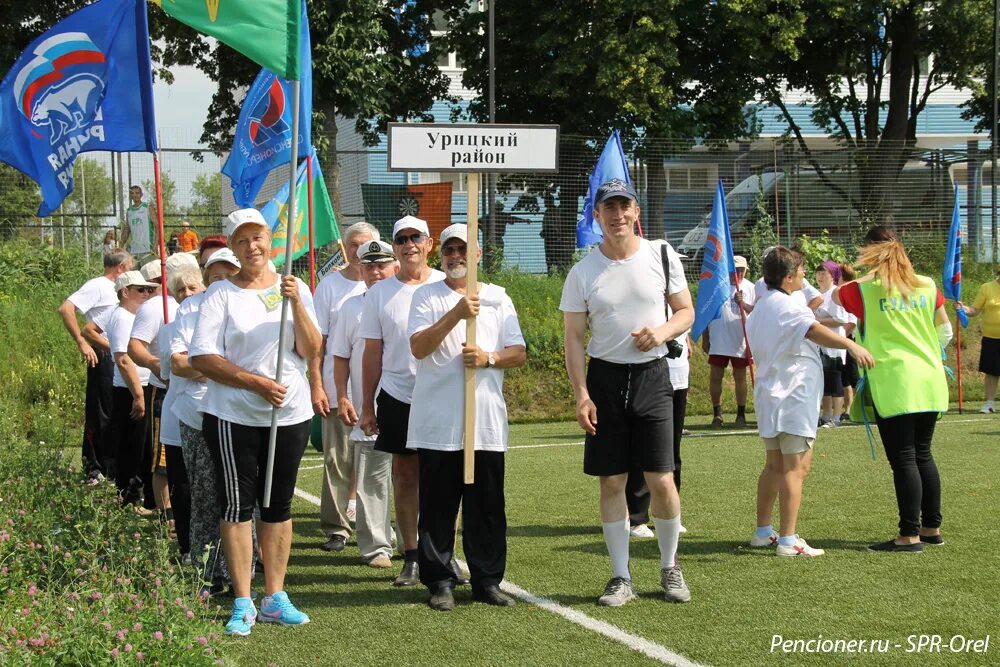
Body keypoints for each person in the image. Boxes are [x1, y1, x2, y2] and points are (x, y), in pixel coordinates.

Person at [560, 178, 694, 607]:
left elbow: (686, 311)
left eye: (624, 206)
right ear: (596, 216)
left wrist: (661, 333)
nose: (617, 215)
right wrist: (581, 393)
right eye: (608, 208)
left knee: (661, 478)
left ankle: (670, 567)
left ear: (636, 211)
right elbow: (574, 340)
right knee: (612, 481)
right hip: (605, 381)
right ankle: (621, 577)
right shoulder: (583, 271)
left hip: (654, 377)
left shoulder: (661, 254)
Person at [190, 209, 321, 635]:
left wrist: (296, 302)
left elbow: (311, 346)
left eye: (258, 238)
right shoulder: (221, 294)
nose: (252, 247)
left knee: (279, 505)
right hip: (234, 416)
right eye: (243, 240)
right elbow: (202, 357)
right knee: (237, 506)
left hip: (290, 415)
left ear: (270, 241)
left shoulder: (293, 286)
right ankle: (243, 600)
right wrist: (254, 383)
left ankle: (275, 597)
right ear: (234, 245)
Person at [407, 224, 527, 611]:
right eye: (449, 250)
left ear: (477, 255)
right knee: (439, 506)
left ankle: (487, 580)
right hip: (439, 423)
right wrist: (456, 314)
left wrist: (488, 358)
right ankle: (440, 580)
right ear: (440, 255)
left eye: (463, 249)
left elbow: (517, 351)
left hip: (486, 423)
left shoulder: (498, 297)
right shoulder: (426, 295)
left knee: (487, 506)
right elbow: (419, 347)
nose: (455, 256)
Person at [747, 247, 873, 557]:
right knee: (796, 468)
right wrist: (850, 346)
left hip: (771, 395)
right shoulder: (789, 306)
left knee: (774, 465)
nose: (805, 279)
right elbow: (814, 330)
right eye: (802, 274)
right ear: (788, 277)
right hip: (793, 396)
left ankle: (764, 531)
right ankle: (789, 540)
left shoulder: (762, 306)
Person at [835, 226, 949, 553]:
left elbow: (837, 294)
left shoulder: (862, 290)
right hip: (929, 377)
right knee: (923, 454)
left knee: (904, 459)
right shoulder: (927, 285)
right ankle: (931, 528)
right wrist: (927, 353)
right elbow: (945, 331)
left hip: (895, 383)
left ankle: (909, 535)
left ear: (870, 252)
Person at [359, 216, 446, 587]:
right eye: (402, 239)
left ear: (429, 244)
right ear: (394, 248)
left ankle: (441, 553)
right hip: (398, 395)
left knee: (444, 478)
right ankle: (411, 555)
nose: (409, 244)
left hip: (444, 395)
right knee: (405, 475)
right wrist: (366, 404)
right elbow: (372, 352)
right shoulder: (379, 293)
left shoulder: (447, 284)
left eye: (416, 238)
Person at [170, 247, 246, 597]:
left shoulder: (251, 304)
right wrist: (219, 369)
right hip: (199, 415)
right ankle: (207, 572)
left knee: (242, 497)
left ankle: (242, 570)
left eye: (227, 273)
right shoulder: (190, 310)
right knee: (204, 496)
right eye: (213, 275)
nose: (220, 280)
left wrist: (215, 369)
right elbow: (179, 363)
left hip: (241, 413)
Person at [330, 240, 399, 569]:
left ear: (395, 265)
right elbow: (340, 357)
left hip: (407, 403)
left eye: (381, 265)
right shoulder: (350, 307)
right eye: (368, 266)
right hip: (368, 407)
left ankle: (408, 538)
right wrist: (342, 395)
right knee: (372, 478)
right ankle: (376, 547)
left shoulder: (410, 300)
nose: (375, 271)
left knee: (408, 475)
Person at [310, 222, 378, 553]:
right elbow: (317, 341)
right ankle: (337, 527)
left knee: (377, 462)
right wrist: (318, 385)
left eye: (366, 245)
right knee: (337, 459)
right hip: (339, 389)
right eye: (353, 244)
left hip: (380, 390)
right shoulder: (329, 286)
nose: (358, 250)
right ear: (345, 247)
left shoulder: (386, 283)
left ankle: (375, 526)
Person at [83, 270, 157, 504]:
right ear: (125, 292)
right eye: (141, 289)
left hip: (136, 386)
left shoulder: (127, 314)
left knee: (136, 444)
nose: (147, 294)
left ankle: (132, 492)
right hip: (131, 389)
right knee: (132, 446)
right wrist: (138, 395)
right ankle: (129, 494)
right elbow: (124, 359)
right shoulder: (123, 317)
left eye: (150, 289)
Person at [58, 249, 133, 483]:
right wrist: (83, 343)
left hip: (119, 355)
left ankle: (113, 466)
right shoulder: (98, 285)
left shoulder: (118, 291)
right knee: (100, 411)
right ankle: (94, 468)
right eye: (130, 267)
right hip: (102, 354)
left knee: (117, 409)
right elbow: (66, 308)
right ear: (120, 267)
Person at [157, 263, 206, 563]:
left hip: (210, 413)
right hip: (178, 414)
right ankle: (187, 547)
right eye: (180, 290)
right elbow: (167, 371)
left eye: (192, 288)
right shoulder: (169, 330)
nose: (186, 294)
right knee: (182, 483)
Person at [702, 255, 755, 427]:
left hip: (741, 340)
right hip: (718, 339)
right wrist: (706, 337)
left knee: (740, 377)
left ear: (747, 270)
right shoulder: (717, 286)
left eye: (741, 270)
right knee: (715, 376)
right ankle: (717, 414)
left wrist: (743, 303)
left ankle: (741, 415)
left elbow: (758, 313)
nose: (738, 273)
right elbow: (706, 311)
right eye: (735, 270)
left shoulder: (752, 289)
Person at [814, 261, 852, 428]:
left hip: (834, 344)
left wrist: (818, 321)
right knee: (824, 381)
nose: (820, 276)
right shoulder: (816, 294)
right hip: (820, 344)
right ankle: (826, 414)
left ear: (833, 276)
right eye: (819, 272)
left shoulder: (836, 293)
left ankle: (836, 417)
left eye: (825, 273)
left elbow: (841, 319)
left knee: (835, 380)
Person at [958, 266, 1000, 413]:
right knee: (991, 371)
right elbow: (974, 310)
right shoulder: (986, 288)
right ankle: (989, 403)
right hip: (991, 338)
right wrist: (963, 308)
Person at [753, 246, 823, 311]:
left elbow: (818, 298)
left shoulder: (764, 304)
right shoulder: (787, 306)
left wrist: (805, 315)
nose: (804, 273)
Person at [839, 263, 859, 420]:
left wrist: (840, 336)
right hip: (842, 341)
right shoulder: (838, 292)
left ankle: (858, 407)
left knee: (853, 377)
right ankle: (848, 409)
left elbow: (852, 322)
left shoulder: (849, 292)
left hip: (850, 340)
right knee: (844, 377)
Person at [121, 185, 159, 258]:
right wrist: (120, 246)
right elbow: (127, 230)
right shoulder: (129, 211)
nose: (135, 195)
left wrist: (155, 245)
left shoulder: (147, 207)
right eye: (132, 193)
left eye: (137, 193)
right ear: (130, 195)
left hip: (148, 250)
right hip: (134, 251)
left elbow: (157, 227)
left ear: (141, 195)